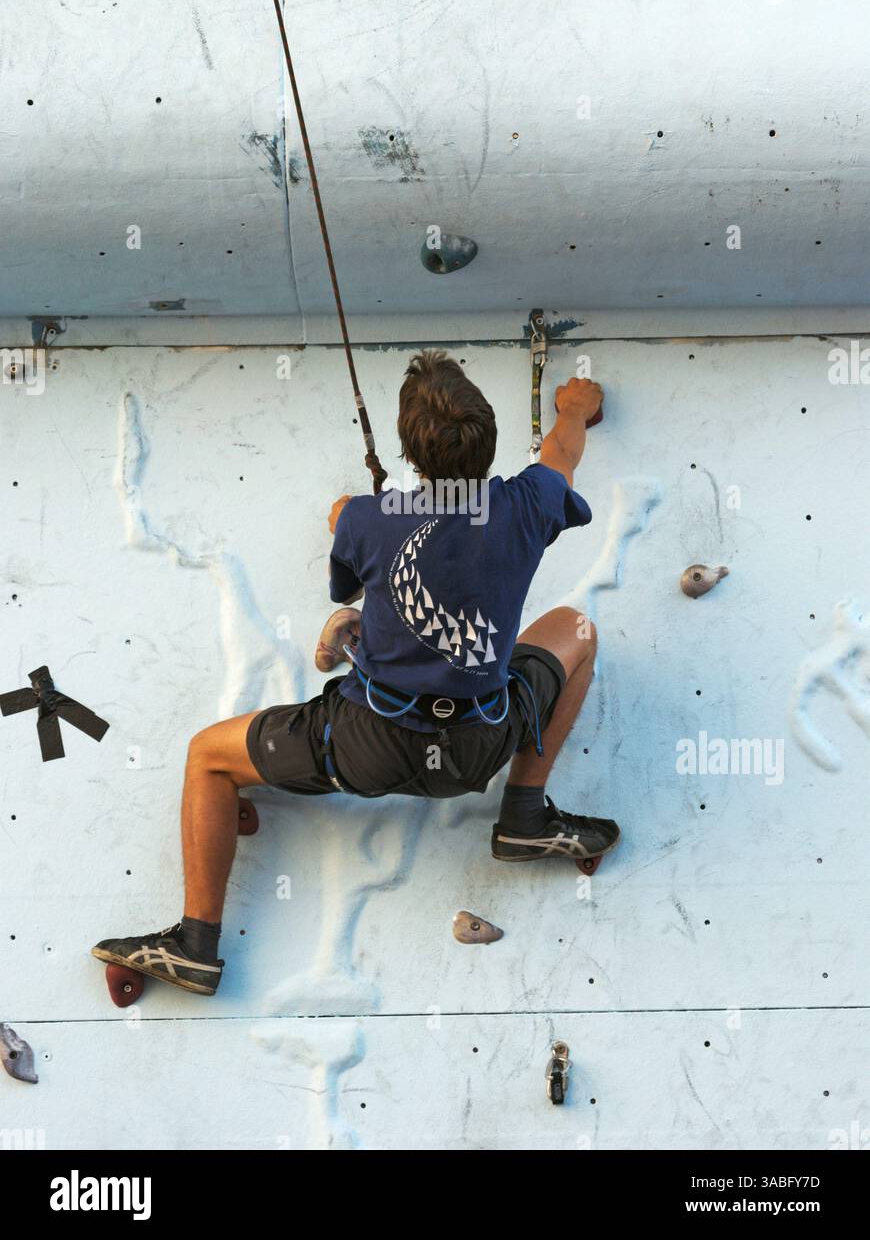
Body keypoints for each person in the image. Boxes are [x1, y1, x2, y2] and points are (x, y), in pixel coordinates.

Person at [91, 353, 618, 995]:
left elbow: (349, 572)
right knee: (576, 630)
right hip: (480, 747)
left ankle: (196, 943)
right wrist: (573, 408)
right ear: (491, 444)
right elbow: (561, 455)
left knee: (207, 757)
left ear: (409, 451)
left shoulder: (367, 521)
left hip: (362, 747)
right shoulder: (528, 503)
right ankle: (524, 816)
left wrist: (346, 518)